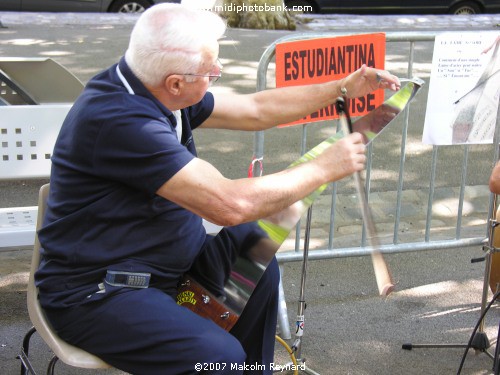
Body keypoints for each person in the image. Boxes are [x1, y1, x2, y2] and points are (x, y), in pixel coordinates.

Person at [35, 3, 401, 375]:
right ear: (175, 82)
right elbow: (230, 204)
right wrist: (324, 167)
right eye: (210, 70)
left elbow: (255, 109)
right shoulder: (120, 121)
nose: (218, 71)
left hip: (168, 267)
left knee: (254, 252)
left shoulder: (152, 85)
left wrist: (342, 87)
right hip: (100, 292)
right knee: (216, 356)